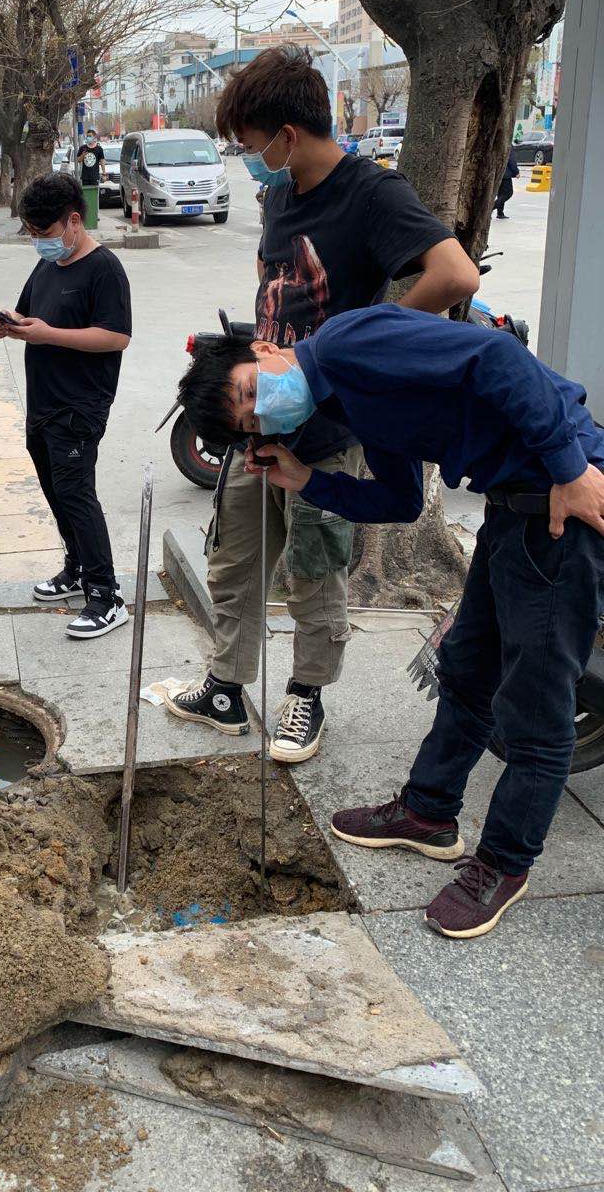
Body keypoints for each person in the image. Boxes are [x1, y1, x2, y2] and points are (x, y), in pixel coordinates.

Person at [177, 304, 604, 939]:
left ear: (263, 350)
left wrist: (571, 471)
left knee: (536, 711)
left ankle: (503, 866)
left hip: (558, 506)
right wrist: (305, 481)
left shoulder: (348, 345)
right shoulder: (347, 401)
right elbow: (402, 502)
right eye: (251, 419)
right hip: (512, 507)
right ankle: (429, 812)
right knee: (466, 672)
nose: (263, 409)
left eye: (249, 390)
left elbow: (499, 357)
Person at [165, 47, 478, 763]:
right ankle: (223, 687)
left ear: (289, 133)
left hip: (329, 429)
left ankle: (306, 698)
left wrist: (361, 344)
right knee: (236, 560)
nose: (248, 158)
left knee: (314, 566)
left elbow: (454, 273)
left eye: (250, 144)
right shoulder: (278, 196)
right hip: (258, 424)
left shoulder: (370, 193)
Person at [0, 172, 132, 639]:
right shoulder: (48, 266)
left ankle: (107, 595)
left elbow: (116, 336)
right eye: (31, 234)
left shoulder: (104, 268)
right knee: (55, 491)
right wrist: (8, 324)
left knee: (76, 493)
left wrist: (47, 334)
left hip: (80, 405)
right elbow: (29, 313)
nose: (39, 242)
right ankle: (75, 568)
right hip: (43, 402)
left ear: (74, 221)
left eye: (44, 233)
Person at [494, 149, 519, 219]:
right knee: (508, 193)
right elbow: (511, 161)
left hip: (498, 173)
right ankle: (491, 207)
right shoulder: (508, 145)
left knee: (501, 194)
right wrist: (516, 172)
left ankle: (500, 213)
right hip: (506, 174)